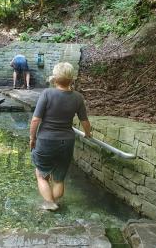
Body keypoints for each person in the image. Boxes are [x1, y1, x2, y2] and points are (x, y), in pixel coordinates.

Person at [29, 62, 92, 211]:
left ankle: (50, 203)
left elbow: (35, 120)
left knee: (41, 175)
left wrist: (32, 138)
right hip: (67, 141)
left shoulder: (47, 94)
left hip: (46, 140)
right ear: (71, 79)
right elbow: (85, 121)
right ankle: (55, 202)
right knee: (59, 179)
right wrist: (88, 134)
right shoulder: (77, 97)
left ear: (55, 79)